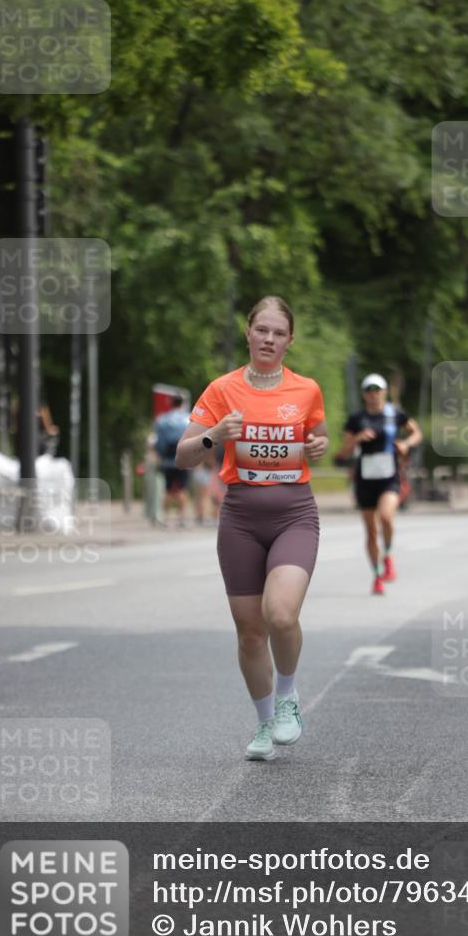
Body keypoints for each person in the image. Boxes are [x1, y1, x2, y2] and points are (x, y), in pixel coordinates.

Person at [175, 296, 329, 760]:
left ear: (290, 341)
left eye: (278, 333)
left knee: (280, 614)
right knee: (249, 632)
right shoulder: (221, 389)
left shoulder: (307, 391)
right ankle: (265, 725)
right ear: (248, 333)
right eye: (261, 330)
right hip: (240, 518)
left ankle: (288, 698)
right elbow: (184, 455)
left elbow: (313, 440)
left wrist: (316, 448)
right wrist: (214, 436)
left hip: (294, 515)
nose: (268, 339)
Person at [337, 373, 423, 594]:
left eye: (377, 390)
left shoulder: (395, 414)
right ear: (364, 394)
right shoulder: (356, 419)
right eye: (369, 390)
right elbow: (343, 453)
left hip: (389, 477)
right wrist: (357, 439)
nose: (373, 394)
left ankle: (388, 556)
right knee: (371, 532)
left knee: (386, 517)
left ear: (384, 392)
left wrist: (405, 444)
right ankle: (376, 576)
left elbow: (416, 434)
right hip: (365, 479)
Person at [154, 395, 191, 527]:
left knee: (168, 489)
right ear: (182, 404)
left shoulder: (162, 420)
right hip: (184, 459)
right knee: (182, 488)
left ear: (171, 403)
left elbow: (158, 442)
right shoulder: (188, 419)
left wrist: (160, 456)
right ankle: (181, 519)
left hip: (167, 460)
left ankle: (165, 518)